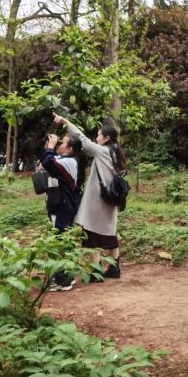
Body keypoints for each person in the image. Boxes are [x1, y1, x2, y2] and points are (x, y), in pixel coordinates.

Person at [53, 113, 124, 279]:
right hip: (111, 198)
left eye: (99, 135)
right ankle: (114, 268)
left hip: (98, 200)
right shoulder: (116, 151)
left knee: (91, 233)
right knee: (109, 232)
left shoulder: (102, 151)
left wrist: (66, 121)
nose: (96, 138)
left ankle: (96, 271)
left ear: (106, 138)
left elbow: (82, 139)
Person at [40, 132, 84, 290]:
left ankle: (62, 280)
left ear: (70, 149)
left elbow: (48, 162)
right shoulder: (65, 159)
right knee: (64, 240)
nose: (59, 144)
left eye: (62, 142)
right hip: (64, 206)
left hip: (61, 208)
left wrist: (51, 147)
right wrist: (48, 147)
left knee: (58, 241)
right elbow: (46, 160)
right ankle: (67, 276)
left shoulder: (69, 162)